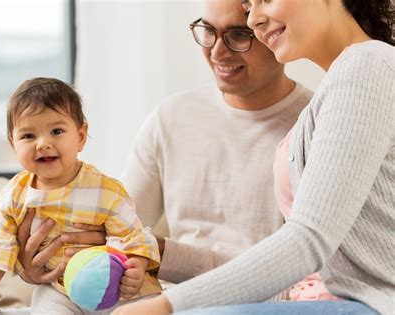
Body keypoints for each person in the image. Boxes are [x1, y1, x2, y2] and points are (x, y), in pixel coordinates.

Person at [112, 0, 395, 314]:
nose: (256, 19)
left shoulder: (365, 65)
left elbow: (308, 238)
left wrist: (167, 305)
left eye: (266, 0)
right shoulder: (347, 76)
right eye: (250, 5)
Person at [15, 0, 313, 291]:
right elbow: (112, 225)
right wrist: (37, 264)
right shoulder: (172, 118)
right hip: (167, 299)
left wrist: (160, 254)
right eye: (208, 31)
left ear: (275, 33)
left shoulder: (317, 123)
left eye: (238, 35)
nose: (217, 51)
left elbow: (296, 274)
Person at [0, 78, 161, 315]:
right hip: (58, 290)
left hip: (111, 288)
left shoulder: (105, 190)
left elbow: (132, 237)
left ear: (80, 136)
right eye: (28, 136)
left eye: (57, 131)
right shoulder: (14, 195)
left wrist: (136, 267)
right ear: (13, 144)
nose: (43, 144)